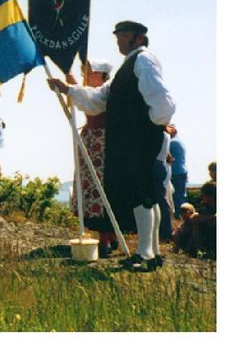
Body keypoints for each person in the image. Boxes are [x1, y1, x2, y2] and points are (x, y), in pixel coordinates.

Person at [49, 20, 175, 270]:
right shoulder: (128, 65)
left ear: (138, 39)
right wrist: (67, 89)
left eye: (123, 36)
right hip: (134, 140)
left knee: (143, 195)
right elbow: (98, 100)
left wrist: (150, 125)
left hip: (140, 139)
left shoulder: (143, 61)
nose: (118, 40)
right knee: (145, 194)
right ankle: (152, 252)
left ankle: (145, 254)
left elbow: (163, 102)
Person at [70, 59, 116, 256]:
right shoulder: (90, 91)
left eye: (91, 72)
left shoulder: (105, 92)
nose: (86, 75)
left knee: (102, 186)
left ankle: (106, 238)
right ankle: (109, 237)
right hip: (92, 139)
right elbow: (77, 92)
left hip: (103, 140)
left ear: (102, 75)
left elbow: (88, 103)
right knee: (90, 185)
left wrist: (67, 86)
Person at [167, 127, 188, 215]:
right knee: (181, 195)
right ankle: (185, 214)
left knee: (175, 195)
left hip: (175, 171)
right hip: (182, 170)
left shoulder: (171, 142)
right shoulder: (180, 142)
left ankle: (179, 215)